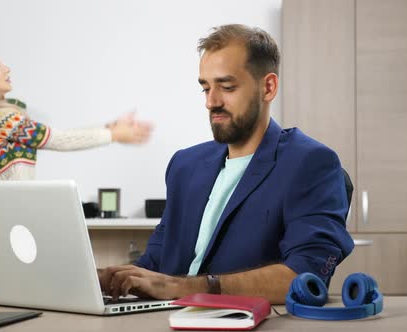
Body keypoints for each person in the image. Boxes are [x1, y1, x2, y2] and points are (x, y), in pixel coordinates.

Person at [99, 24, 354, 304]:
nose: (211, 101)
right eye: (205, 88)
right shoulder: (184, 165)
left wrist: (184, 288)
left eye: (227, 87)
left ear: (268, 87)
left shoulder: (311, 163)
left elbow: (306, 276)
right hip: (165, 318)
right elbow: (156, 262)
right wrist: (106, 279)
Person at [0, 41, 152, 180]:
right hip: (12, 213)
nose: (6, 69)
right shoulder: (2, 119)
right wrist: (115, 134)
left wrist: (111, 128)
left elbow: (58, 136)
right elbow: (61, 139)